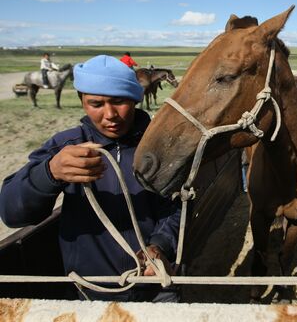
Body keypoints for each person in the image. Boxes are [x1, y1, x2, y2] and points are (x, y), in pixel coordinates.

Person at [0, 55, 180, 302]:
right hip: (89, 291)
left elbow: (178, 207)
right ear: (82, 102)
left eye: (119, 101)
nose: (110, 115)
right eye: (96, 103)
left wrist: (160, 246)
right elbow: (12, 214)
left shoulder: (160, 146)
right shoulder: (65, 146)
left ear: (136, 98)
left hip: (158, 288)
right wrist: (49, 173)